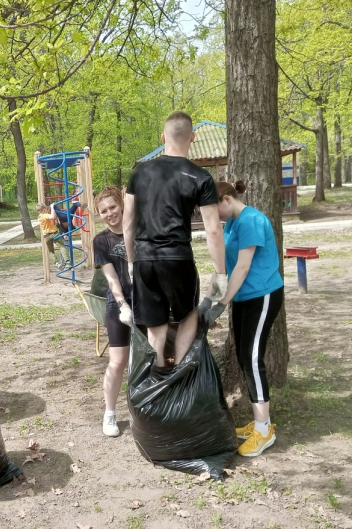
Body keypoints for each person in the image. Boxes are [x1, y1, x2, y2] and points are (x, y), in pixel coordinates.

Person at [123, 110, 226, 367]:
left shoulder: (139, 173)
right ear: (192, 137)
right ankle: (180, 376)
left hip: (145, 259)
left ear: (163, 136)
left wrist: (131, 261)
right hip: (178, 259)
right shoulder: (201, 177)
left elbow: (128, 223)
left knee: (155, 329)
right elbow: (213, 229)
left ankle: (158, 387)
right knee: (188, 315)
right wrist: (220, 273)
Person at [198, 180, 284, 457]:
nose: (215, 218)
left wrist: (221, 304)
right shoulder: (232, 225)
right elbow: (222, 269)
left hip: (262, 296)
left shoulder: (252, 221)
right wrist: (207, 300)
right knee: (246, 357)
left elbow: (244, 267)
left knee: (251, 358)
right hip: (244, 299)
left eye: (215, 211)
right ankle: (262, 422)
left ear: (225, 199)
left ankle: (264, 430)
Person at [92, 187, 133, 437]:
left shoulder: (139, 231)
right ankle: (110, 414)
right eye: (104, 211)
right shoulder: (101, 241)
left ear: (122, 205)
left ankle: (145, 409)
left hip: (147, 303)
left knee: (147, 359)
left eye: (113, 207)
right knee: (117, 362)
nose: (110, 213)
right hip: (118, 305)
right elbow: (112, 278)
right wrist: (123, 305)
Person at [36, 203, 66, 269]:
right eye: (46, 209)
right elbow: (53, 217)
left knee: (51, 251)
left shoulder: (39, 217)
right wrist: (52, 207)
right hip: (53, 234)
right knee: (62, 246)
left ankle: (57, 263)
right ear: (43, 209)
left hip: (46, 236)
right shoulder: (44, 215)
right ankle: (68, 261)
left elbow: (51, 220)